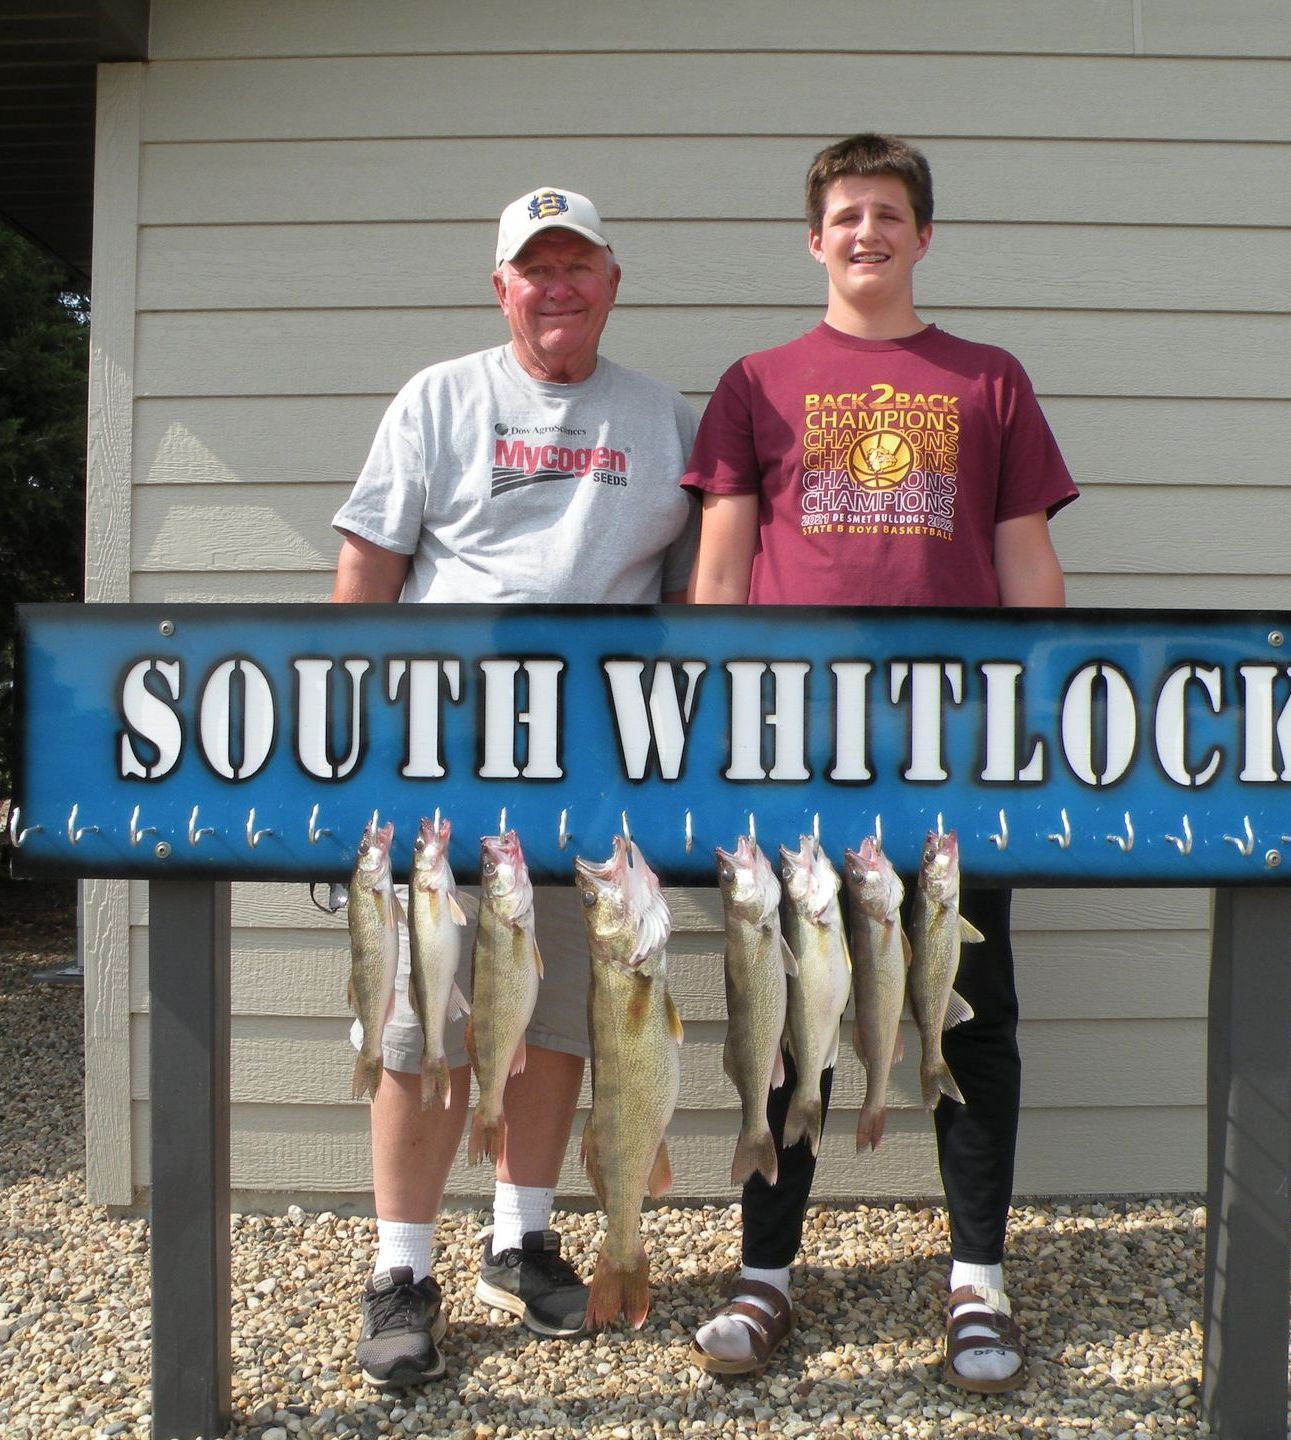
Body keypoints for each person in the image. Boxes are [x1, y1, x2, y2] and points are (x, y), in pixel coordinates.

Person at [681, 134, 1077, 1393]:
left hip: (955, 752)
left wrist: (1042, 714)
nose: (866, 233)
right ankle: (765, 1275)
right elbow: (721, 567)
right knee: (789, 1012)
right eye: (845, 214)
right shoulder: (755, 380)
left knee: (970, 1011)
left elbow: (1024, 562)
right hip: (795, 753)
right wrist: (713, 729)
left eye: (888, 214)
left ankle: (975, 1284)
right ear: (814, 239)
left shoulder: (988, 378)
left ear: (921, 235)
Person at [330, 185, 699, 1388]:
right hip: (445, 764)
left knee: (556, 1011)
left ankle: (522, 1237)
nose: (556, 286)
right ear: (501, 287)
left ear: (611, 278)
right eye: (532, 269)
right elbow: (367, 575)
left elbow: (700, 599)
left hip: (595, 769)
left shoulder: (661, 419)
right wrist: (352, 750)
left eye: (576, 264)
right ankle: (400, 1269)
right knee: (423, 1018)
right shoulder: (438, 400)